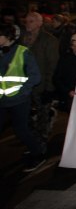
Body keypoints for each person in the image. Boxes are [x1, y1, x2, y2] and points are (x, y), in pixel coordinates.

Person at [0, 23, 46, 172]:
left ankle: (38, 154)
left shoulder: (22, 52)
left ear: (8, 37)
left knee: (21, 130)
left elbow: (35, 76)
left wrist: (23, 92)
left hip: (19, 100)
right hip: (2, 100)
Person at [19, 11, 59, 144]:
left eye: (31, 21)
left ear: (39, 23)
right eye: (26, 21)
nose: (27, 24)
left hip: (41, 84)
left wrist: (49, 87)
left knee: (42, 115)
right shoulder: (22, 39)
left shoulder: (49, 40)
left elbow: (52, 65)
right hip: (24, 83)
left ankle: (41, 141)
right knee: (27, 113)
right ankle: (30, 138)